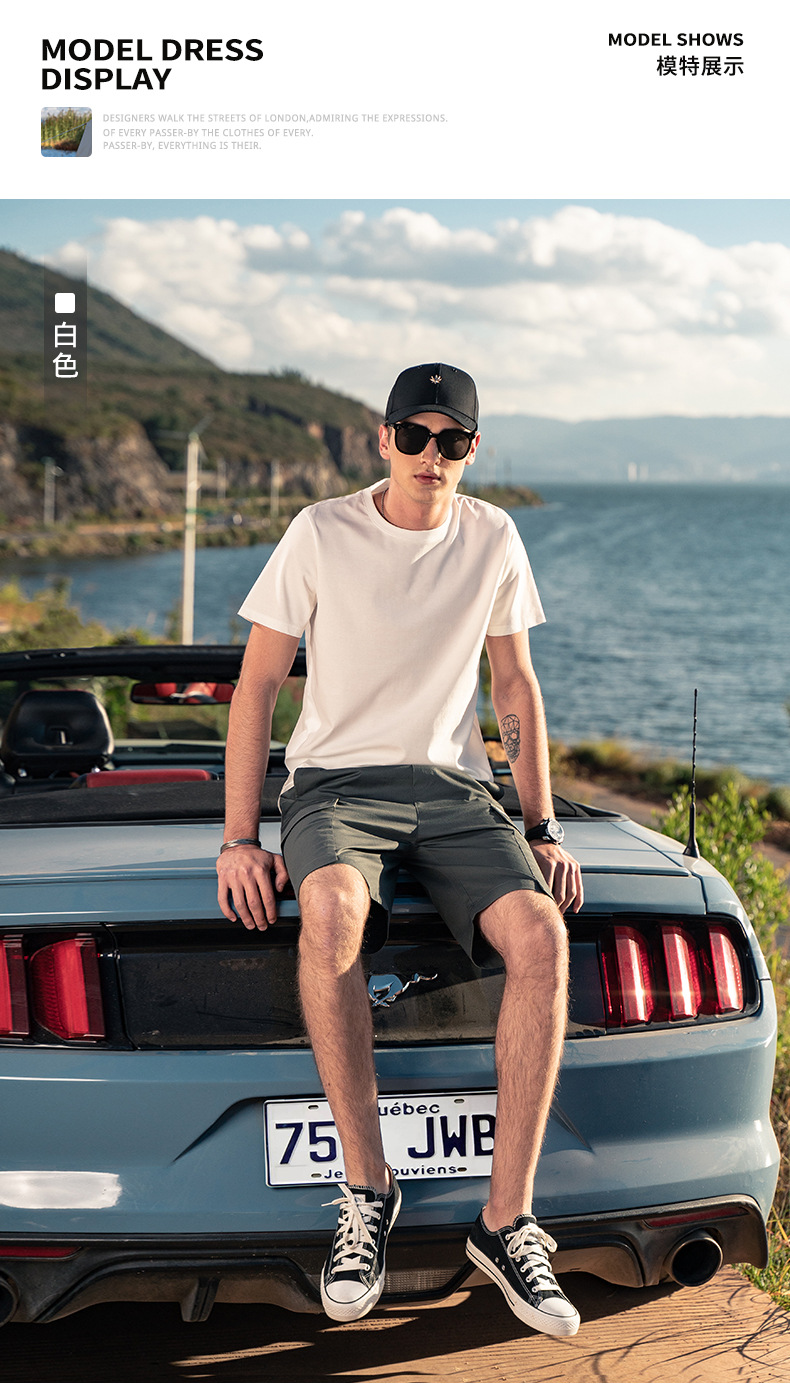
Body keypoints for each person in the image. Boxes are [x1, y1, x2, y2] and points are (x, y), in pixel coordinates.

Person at [217, 362, 584, 1337]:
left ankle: (506, 1221)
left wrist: (541, 823)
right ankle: (368, 1188)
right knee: (332, 908)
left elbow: (514, 685)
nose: (431, 455)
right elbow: (258, 686)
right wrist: (240, 838)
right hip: (336, 786)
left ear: (472, 448)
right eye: (413, 436)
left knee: (542, 935)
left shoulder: (493, 536)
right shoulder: (320, 531)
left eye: (450, 440)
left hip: (455, 790)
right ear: (382, 439)